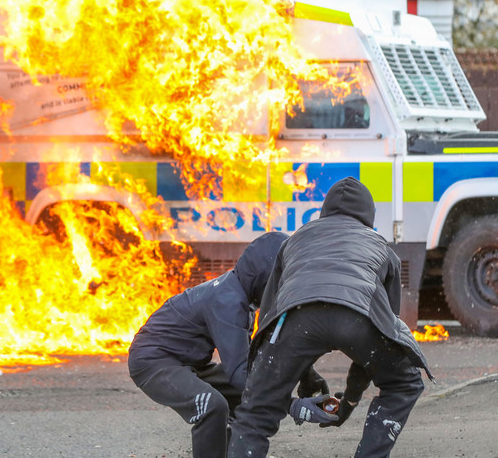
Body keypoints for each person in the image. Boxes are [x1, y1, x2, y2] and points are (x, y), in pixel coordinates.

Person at [227, 177, 430, 458]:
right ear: (368, 219)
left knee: (254, 415)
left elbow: (272, 317)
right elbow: (383, 331)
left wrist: (295, 373)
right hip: (358, 318)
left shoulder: (296, 239)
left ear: (324, 214)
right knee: (404, 383)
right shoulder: (381, 247)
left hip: (297, 318)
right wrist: (350, 400)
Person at [128, 231, 331, 458]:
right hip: (153, 361)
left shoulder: (243, 295)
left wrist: (306, 375)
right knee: (212, 406)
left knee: (246, 397)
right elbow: (239, 374)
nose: (283, 291)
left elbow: (262, 357)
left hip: (188, 363)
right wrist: (293, 406)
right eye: (281, 282)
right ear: (264, 278)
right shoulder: (228, 301)